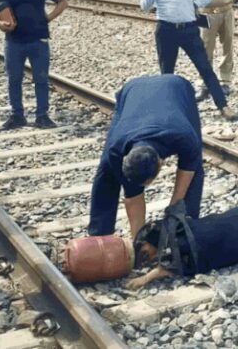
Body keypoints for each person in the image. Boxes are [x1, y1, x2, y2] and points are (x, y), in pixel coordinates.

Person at [88, 75, 207, 239]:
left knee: (195, 167)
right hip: (132, 90)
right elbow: (133, 197)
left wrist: (172, 215)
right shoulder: (117, 149)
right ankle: (99, 234)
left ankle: (184, 232)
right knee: (107, 168)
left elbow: (187, 173)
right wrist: (139, 241)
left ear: (160, 163)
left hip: (177, 88)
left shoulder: (185, 137)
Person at [140, 0, 238, 121]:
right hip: (166, 30)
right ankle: (168, 109)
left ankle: (223, 106)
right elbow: (144, 7)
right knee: (166, 72)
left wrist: (196, 4)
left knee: (205, 68)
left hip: (189, 30)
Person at [0, 0, 68, 130]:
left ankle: (42, 116)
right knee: (14, 80)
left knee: (41, 80)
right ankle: (17, 116)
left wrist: (48, 18)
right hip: (13, 41)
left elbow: (62, 1)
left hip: (39, 40)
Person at [191, 0, 238, 101]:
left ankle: (225, 82)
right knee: (205, 49)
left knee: (227, 47)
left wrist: (225, 2)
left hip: (226, 13)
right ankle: (205, 84)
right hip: (206, 14)